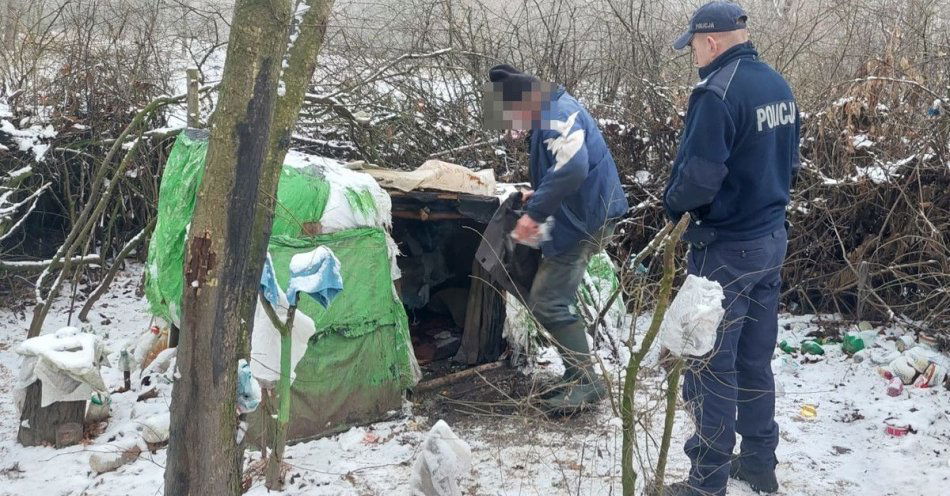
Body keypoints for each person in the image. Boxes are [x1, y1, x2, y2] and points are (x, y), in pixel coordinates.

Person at [662, 2, 799, 495]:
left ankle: (706, 482)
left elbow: (697, 178)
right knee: (754, 358)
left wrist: (671, 205)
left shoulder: (715, 93)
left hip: (727, 250)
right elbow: (791, 163)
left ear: (711, 41)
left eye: (694, 46)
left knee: (709, 364)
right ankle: (760, 463)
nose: (693, 54)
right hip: (771, 240)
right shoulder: (777, 85)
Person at [485, 64, 629, 413]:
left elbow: (574, 167)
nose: (512, 129)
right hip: (583, 213)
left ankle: (587, 382)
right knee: (554, 295)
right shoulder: (551, 110)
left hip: (586, 219)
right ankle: (578, 373)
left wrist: (534, 217)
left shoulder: (556, 115)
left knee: (547, 299)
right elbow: (563, 166)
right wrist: (541, 194)